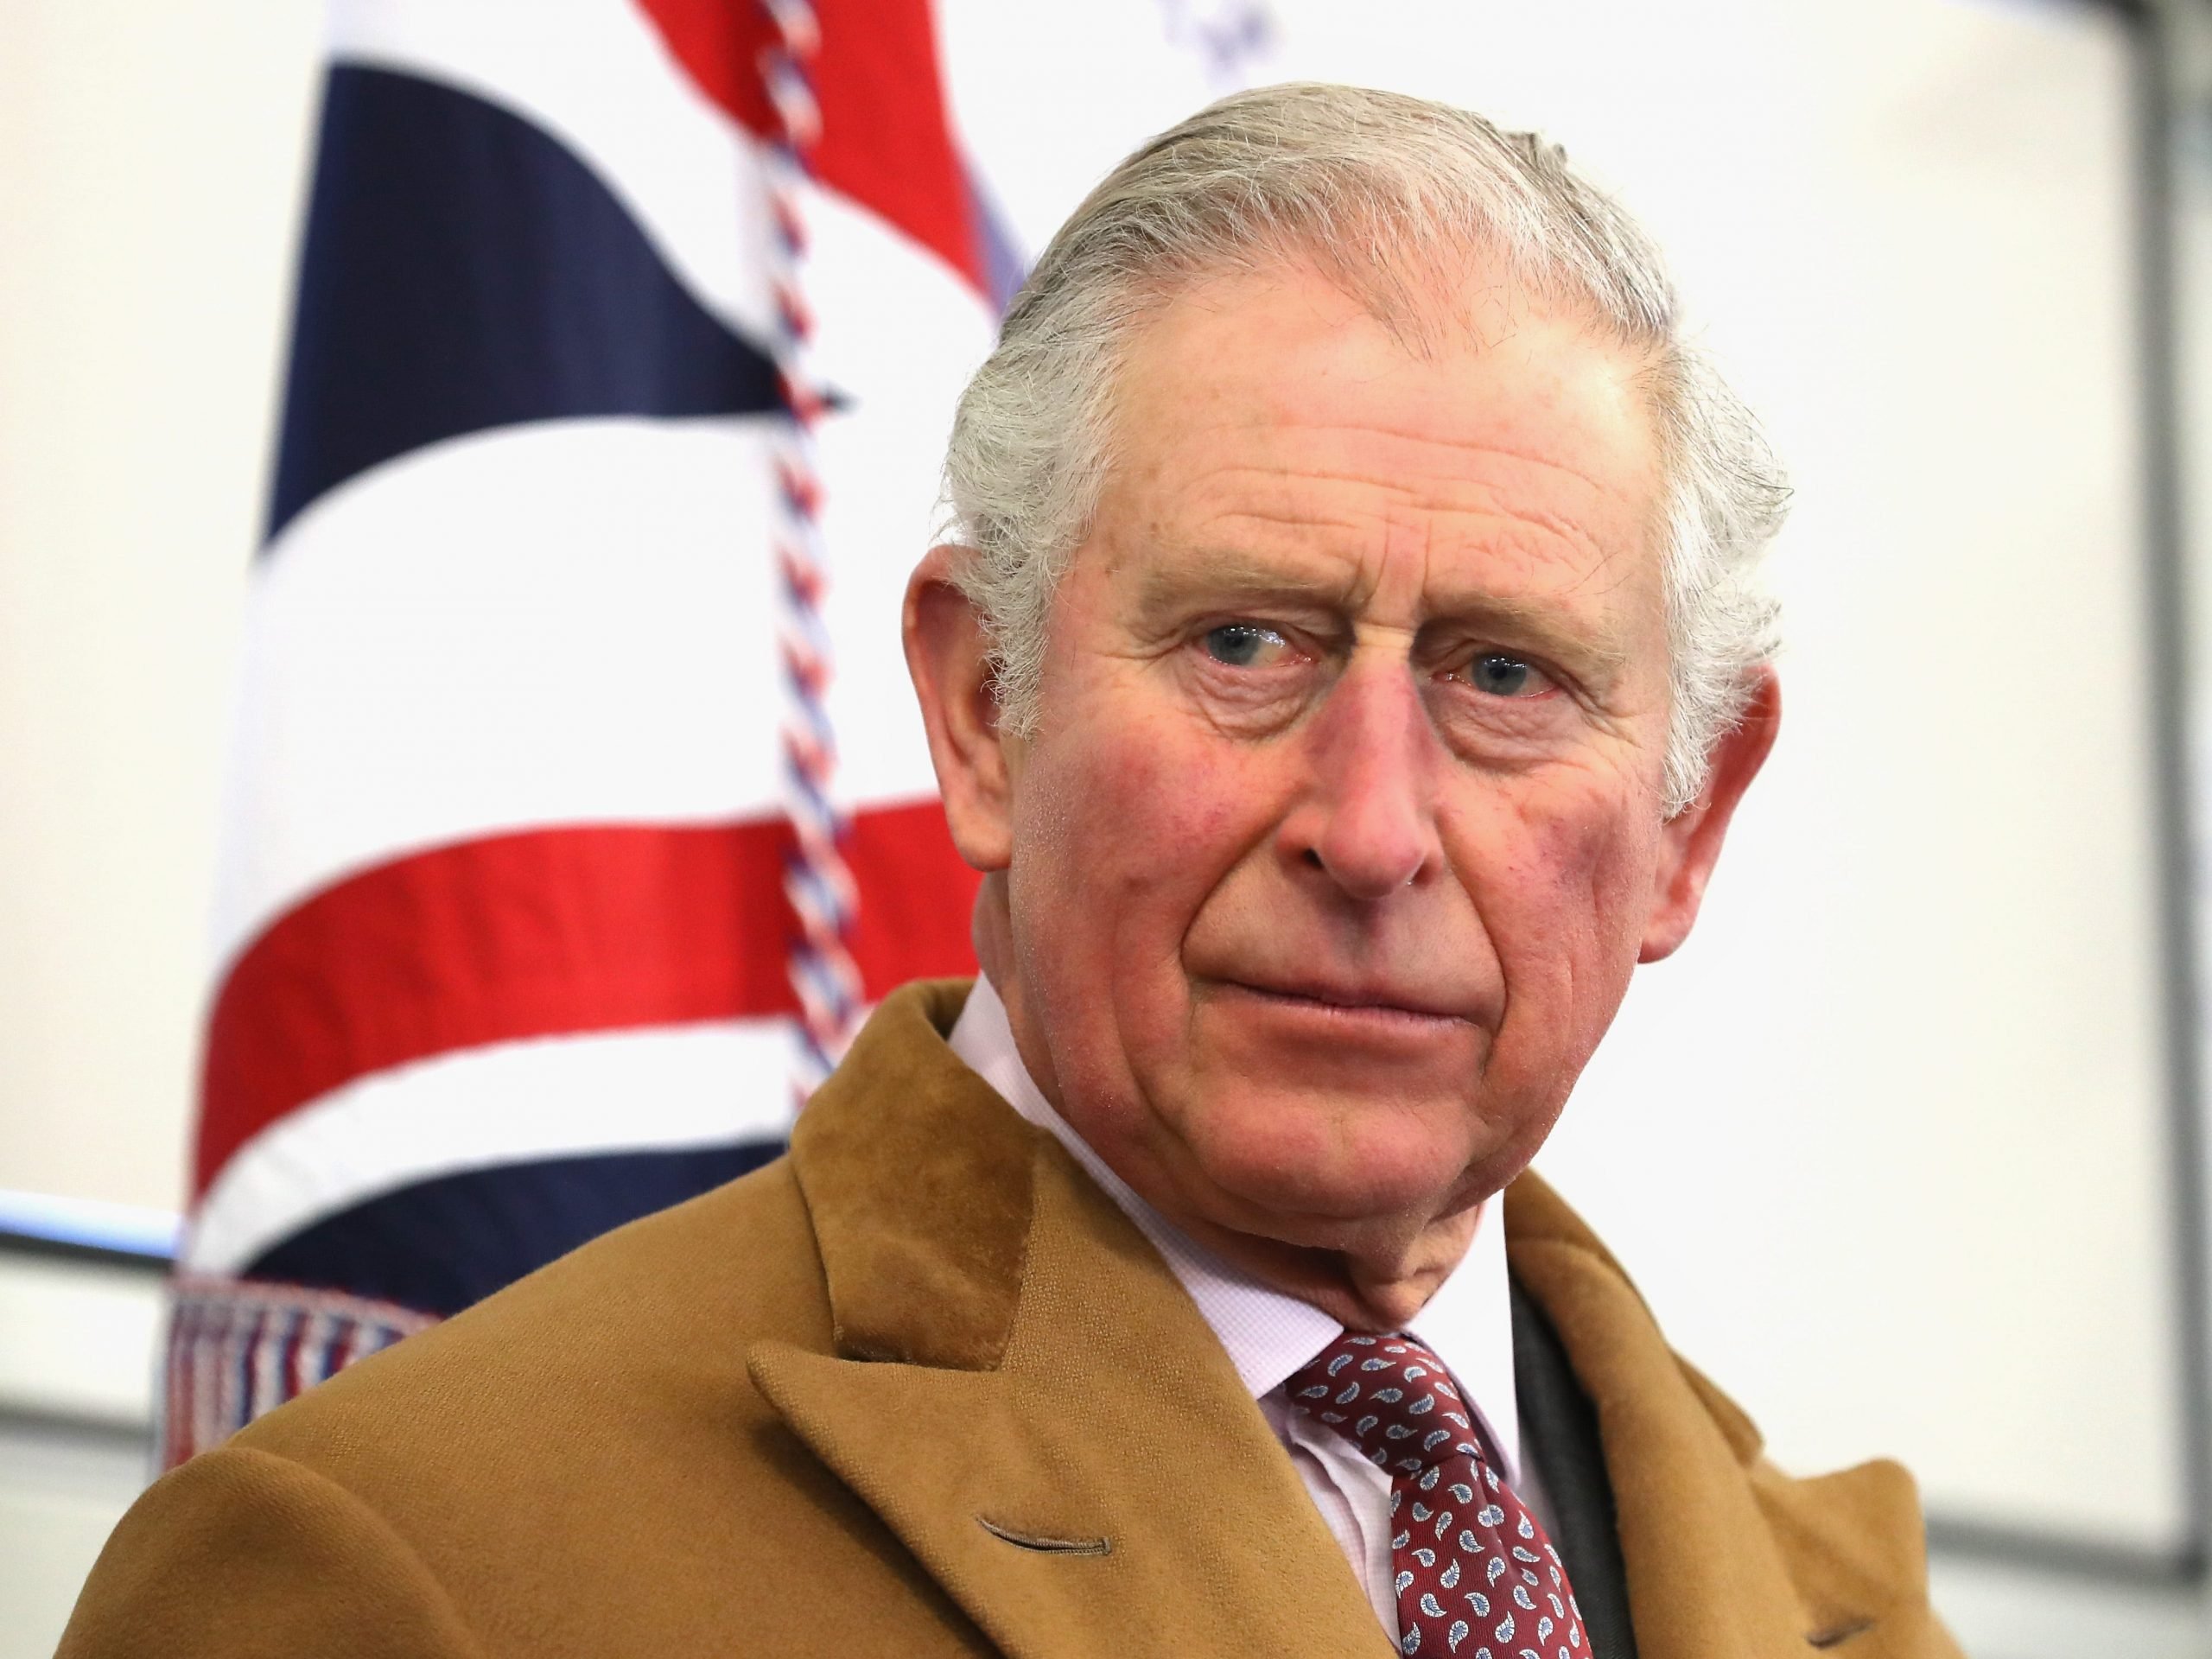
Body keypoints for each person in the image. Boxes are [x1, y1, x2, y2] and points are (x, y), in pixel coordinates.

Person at [61, 84, 1961, 1657]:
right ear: (983, 711)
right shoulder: (410, 1572)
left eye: (1502, 677)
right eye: (1247, 642)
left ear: (1686, 822)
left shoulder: (1838, 1606)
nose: (1370, 828)